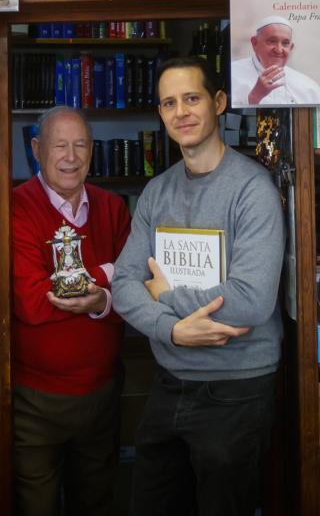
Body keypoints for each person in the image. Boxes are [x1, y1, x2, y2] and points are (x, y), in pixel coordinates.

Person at [111, 57, 285, 516]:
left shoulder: (253, 190)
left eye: (192, 98)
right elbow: (125, 282)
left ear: (219, 103)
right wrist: (173, 332)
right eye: (169, 103)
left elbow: (251, 300)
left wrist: (164, 297)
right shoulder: (157, 191)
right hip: (169, 382)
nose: (181, 112)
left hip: (238, 389)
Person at [11, 106, 132, 516]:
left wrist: (102, 299)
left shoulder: (113, 207)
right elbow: (31, 301)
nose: (71, 156)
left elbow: (135, 291)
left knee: (97, 501)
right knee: (36, 505)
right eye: (59, 145)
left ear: (92, 150)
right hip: (35, 399)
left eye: (81, 145)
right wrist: (106, 275)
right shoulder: (16, 208)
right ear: (36, 149)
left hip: (102, 393)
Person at [229, 15, 320, 106]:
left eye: (285, 43)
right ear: (255, 43)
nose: (279, 50)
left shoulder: (307, 84)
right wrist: (255, 96)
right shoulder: (232, 73)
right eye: (272, 41)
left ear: (291, 48)